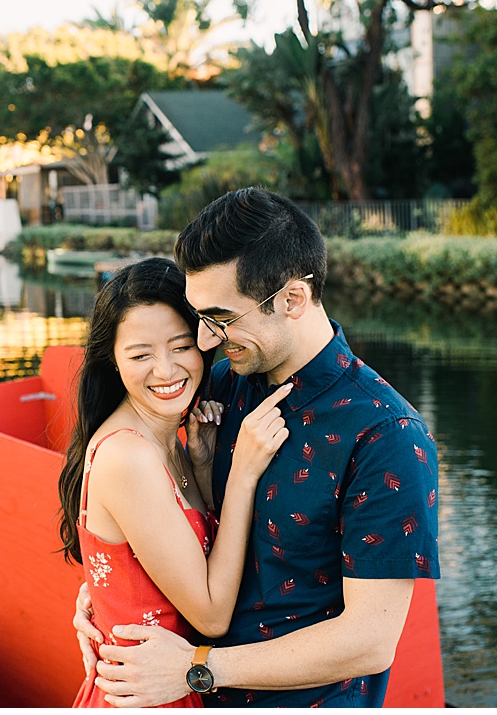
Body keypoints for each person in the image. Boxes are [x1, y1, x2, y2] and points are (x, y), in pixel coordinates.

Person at [73, 188, 441, 707]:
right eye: (198, 317)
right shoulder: (225, 385)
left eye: (220, 318)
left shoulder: (386, 436)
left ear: (292, 299)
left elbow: (369, 641)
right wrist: (110, 596)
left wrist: (200, 670)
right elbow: (162, 515)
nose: (202, 341)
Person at [57, 257, 294, 708]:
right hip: (151, 695)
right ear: (113, 360)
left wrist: (203, 466)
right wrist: (242, 472)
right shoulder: (129, 456)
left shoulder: (167, 440)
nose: (166, 371)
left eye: (181, 346)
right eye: (141, 355)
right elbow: (211, 614)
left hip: (169, 684)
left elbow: (184, 552)